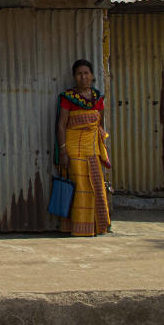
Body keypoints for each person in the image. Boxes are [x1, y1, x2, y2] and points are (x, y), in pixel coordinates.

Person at [56, 59, 111, 236]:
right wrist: (63, 150)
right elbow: (61, 125)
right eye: (79, 74)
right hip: (73, 148)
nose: (83, 77)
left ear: (93, 76)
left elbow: (99, 122)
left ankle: (96, 226)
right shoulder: (68, 98)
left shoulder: (98, 98)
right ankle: (79, 228)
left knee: (96, 186)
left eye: (86, 73)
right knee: (79, 187)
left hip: (92, 149)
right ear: (74, 77)